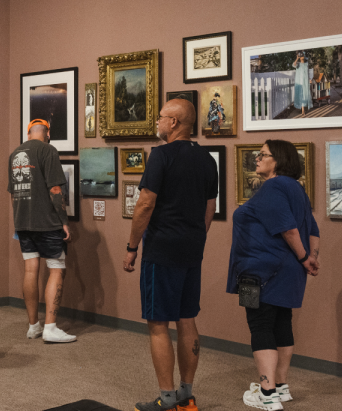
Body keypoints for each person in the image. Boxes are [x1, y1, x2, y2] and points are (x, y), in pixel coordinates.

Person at [123, 99, 218, 411]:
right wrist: (197, 237)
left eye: (161, 117)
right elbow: (209, 207)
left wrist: (132, 247)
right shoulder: (207, 159)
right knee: (187, 318)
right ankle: (186, 396)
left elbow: (145, 203)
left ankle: (166, 399)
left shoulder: (161, 155)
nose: (157, 122)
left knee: (159, 323)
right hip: (192, 248)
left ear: (174, 122)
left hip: (162, 249)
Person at [226, 140, 320, 410]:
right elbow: (313, 230)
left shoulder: (273, 187)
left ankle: (267, 395)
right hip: (286, 271)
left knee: (260, 326)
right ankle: (280, 388)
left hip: (258, 271)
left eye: (263, 154)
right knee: (281, 323)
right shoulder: (297, 189)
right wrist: (311, 258)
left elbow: (288, 228)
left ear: (278, 159)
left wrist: (304, 258)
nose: (257, 158)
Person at [9, 119, 75, 343]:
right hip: (47, 222)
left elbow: (13, 194)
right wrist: (63, 221)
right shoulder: (49, 150)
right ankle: (50, 327)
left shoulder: (15, 154)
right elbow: (55, 189)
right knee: (56, 268)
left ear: (28, 134)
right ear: (48, 135)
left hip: (22, 222)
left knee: (30, 270)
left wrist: (19, 219)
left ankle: (33, 326)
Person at [292, 51, 313, 116]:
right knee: (300, 94)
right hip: (299, 81)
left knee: (305, 94)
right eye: (300, 56)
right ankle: (302, 110)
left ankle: (304, 107)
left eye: (302, 55)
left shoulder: (306, 64)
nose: (302, 57)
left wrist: (309, 79)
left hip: (305, 81)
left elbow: (307, 73)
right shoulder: (298, 64)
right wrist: (297, 58)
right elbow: (293, 65)